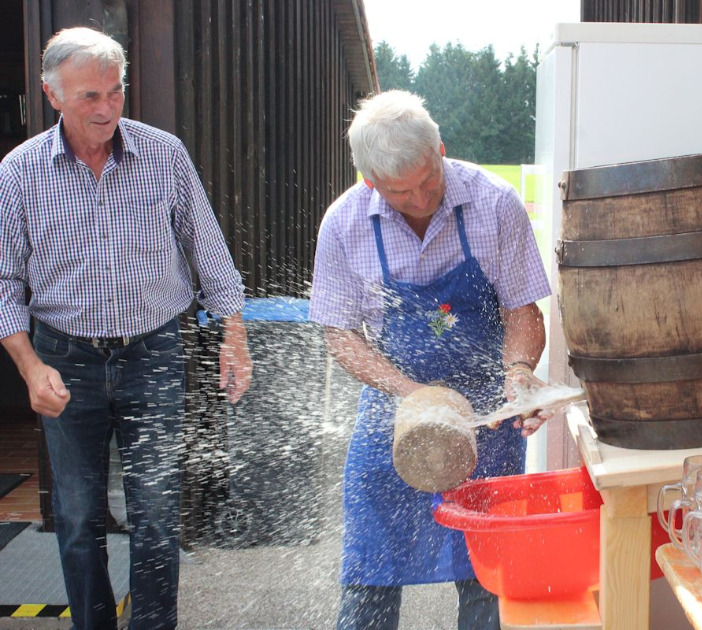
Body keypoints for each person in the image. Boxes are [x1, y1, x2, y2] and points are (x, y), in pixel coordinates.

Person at [0, 27, 252, 630]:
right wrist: (31, 367)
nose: (108, 108)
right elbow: (5, 282)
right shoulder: (19, 171)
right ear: (51, 94)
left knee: (157, 513)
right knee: (79, 515)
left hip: (155, 351)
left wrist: (234, 334)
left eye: (116, 91)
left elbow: (207, 249)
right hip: (64, 356)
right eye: (90, 96)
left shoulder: (164, 153)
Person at [308, 89, 552, 629]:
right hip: (392, 415)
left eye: (429, 180)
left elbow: (522, 309)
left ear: (440, 148)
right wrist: (412, 394)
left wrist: (518, 373)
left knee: (488, 576)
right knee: (370, 570)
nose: (421, 200)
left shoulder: (494, 202)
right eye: (402, 192)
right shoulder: (344, 225)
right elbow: (341, 335)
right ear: (370, 181)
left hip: (487, 415)